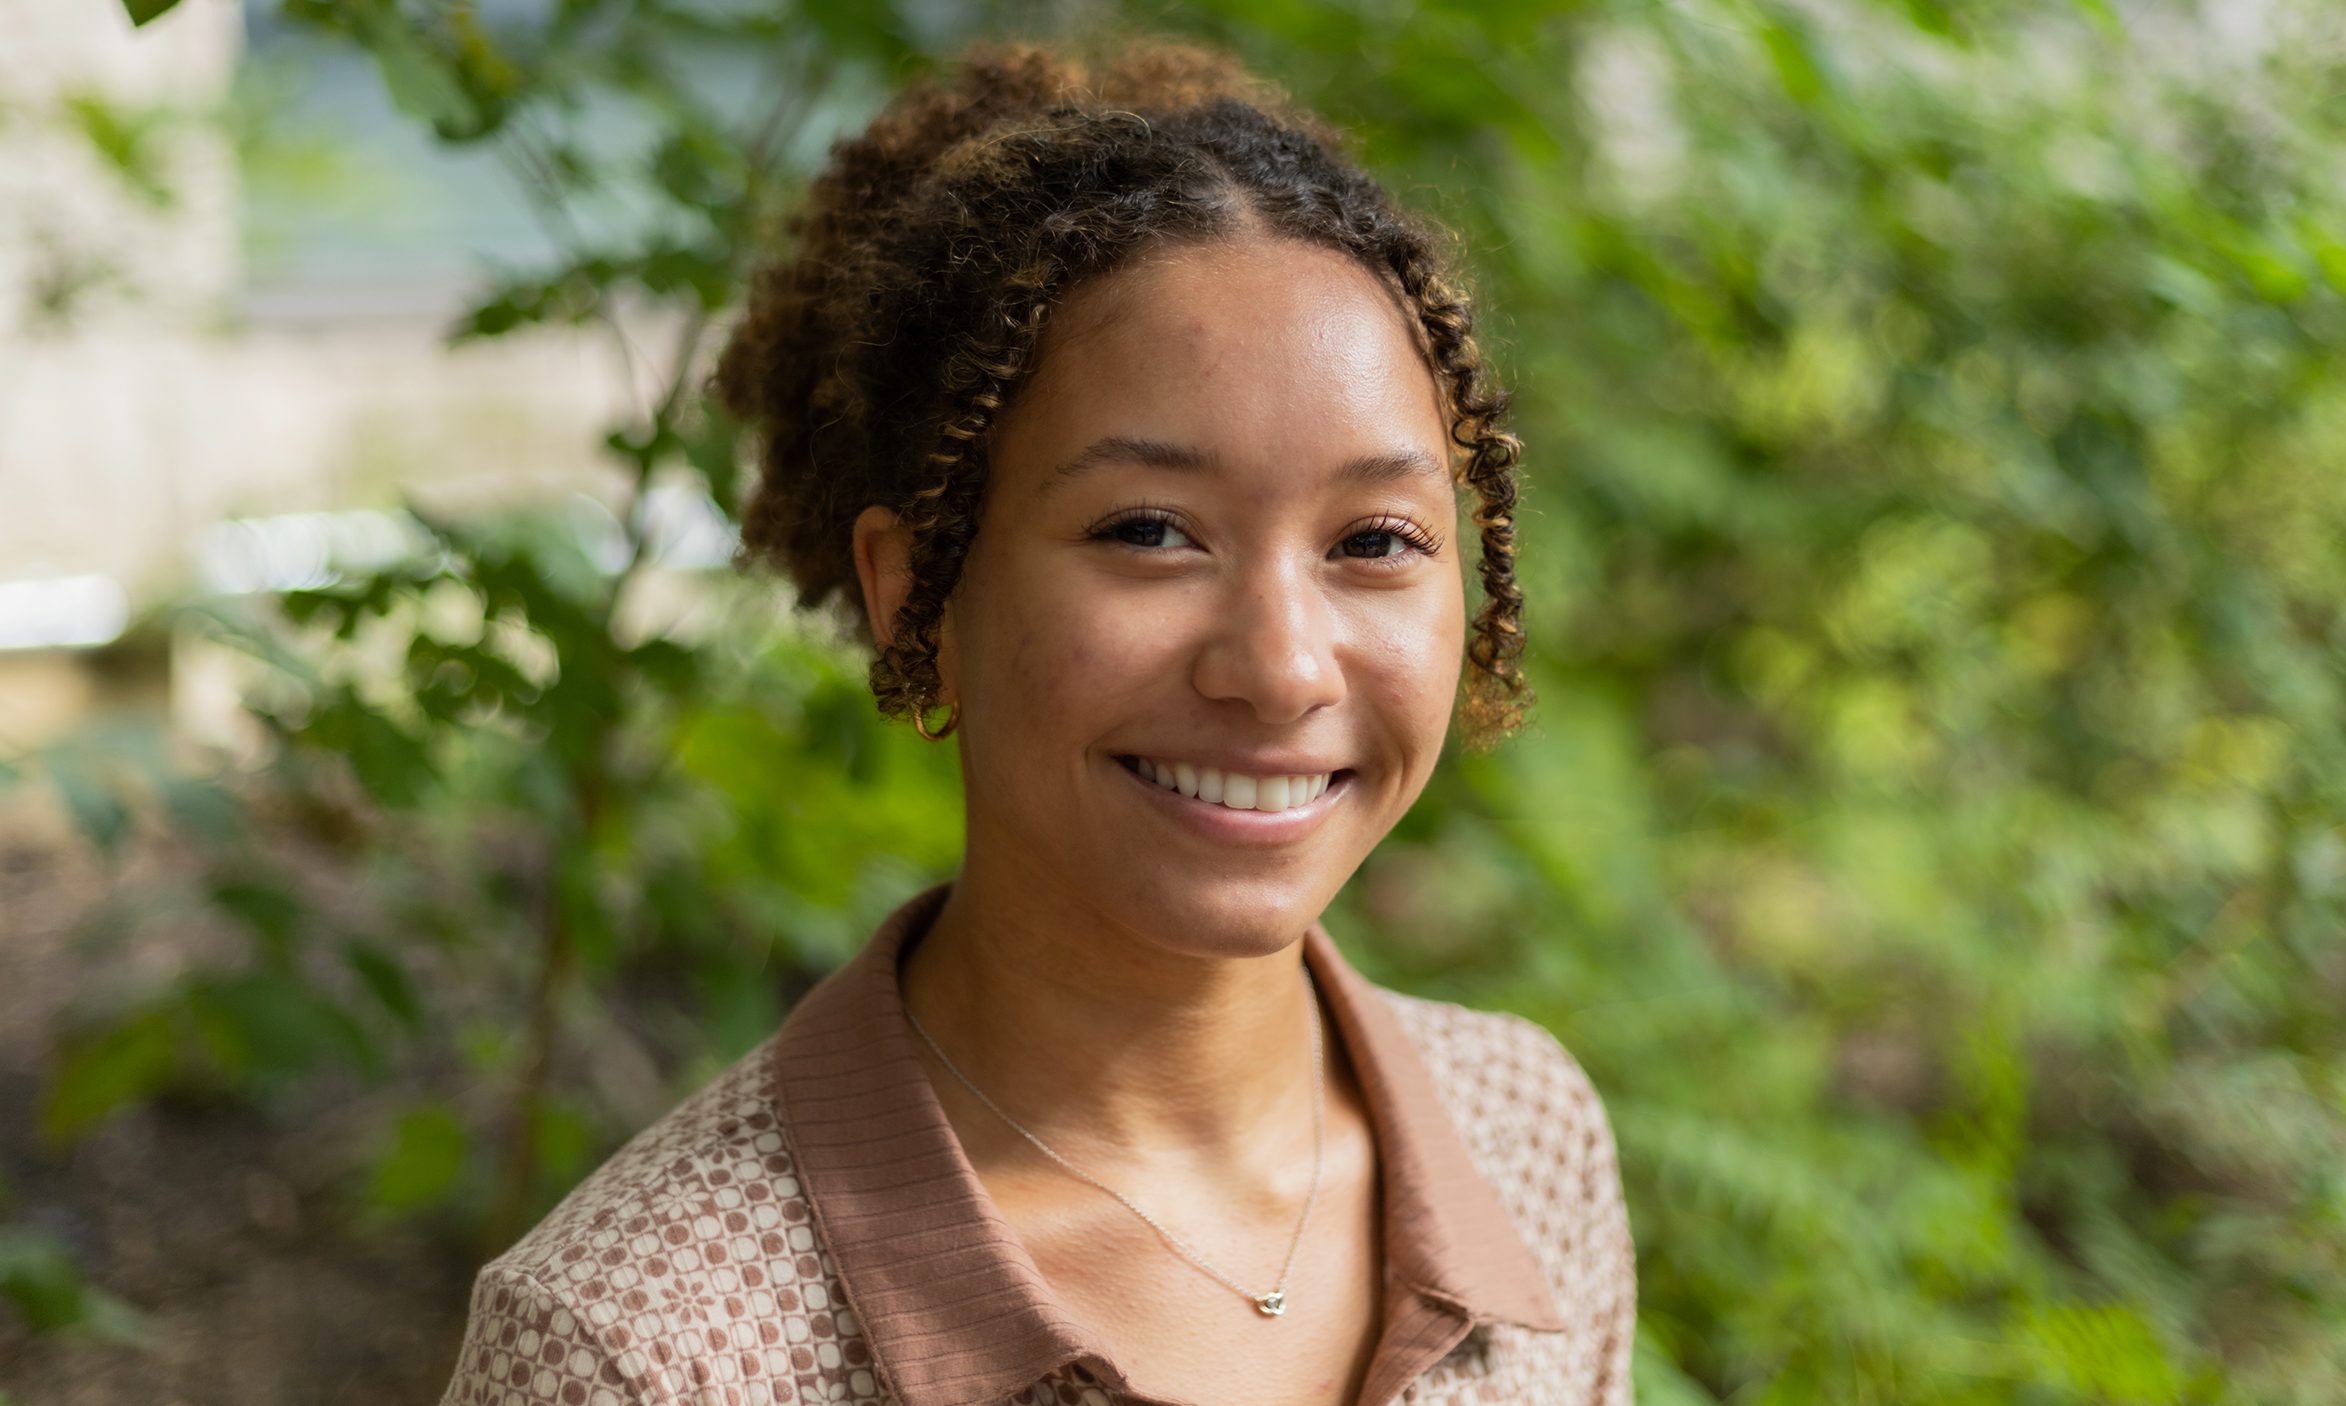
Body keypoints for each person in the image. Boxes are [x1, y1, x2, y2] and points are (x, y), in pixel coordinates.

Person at [438, 36, 1635, 1406]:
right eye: (1149, 530)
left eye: (1373, 536)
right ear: (918, 597)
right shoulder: (649, 1345)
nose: (1283, 665)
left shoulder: (1525, 1134)